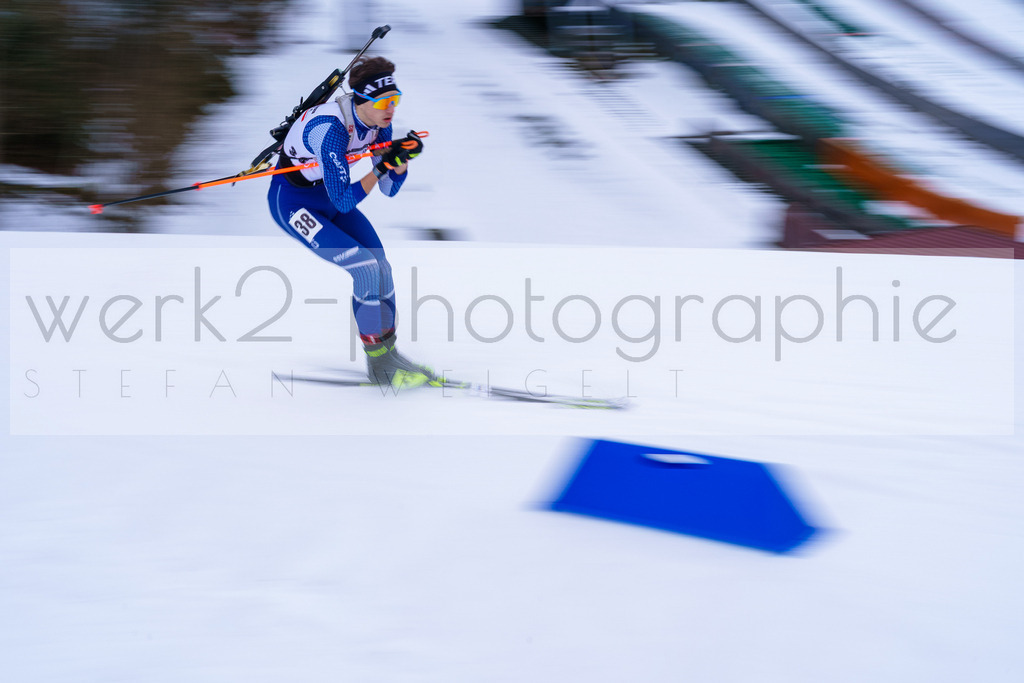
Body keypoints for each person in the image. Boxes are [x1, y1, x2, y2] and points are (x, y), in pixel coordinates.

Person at [266, 57, 438, 389]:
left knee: (381, 266)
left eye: (395, 99)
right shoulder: (330, 130)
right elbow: (345, 201)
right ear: (361, 101)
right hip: (293, 204)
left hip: (327, 197)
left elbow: (388, 189)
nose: (391, 109)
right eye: (384, 102)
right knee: (364, 268)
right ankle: (379, 363)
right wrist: (381, 166)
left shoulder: (380, 124)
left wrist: (401, 162)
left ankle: (388, 354)